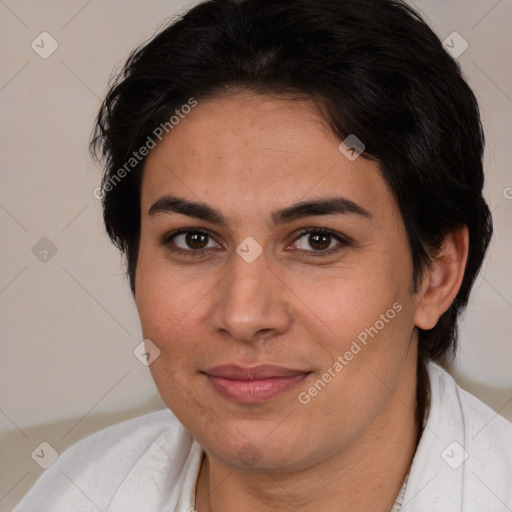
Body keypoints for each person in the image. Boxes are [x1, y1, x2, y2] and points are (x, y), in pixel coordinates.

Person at [13, 0, 512, 510]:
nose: (244, 315)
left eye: (318, 240)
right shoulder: (74, 492)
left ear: (437, 275)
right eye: (194, 239)